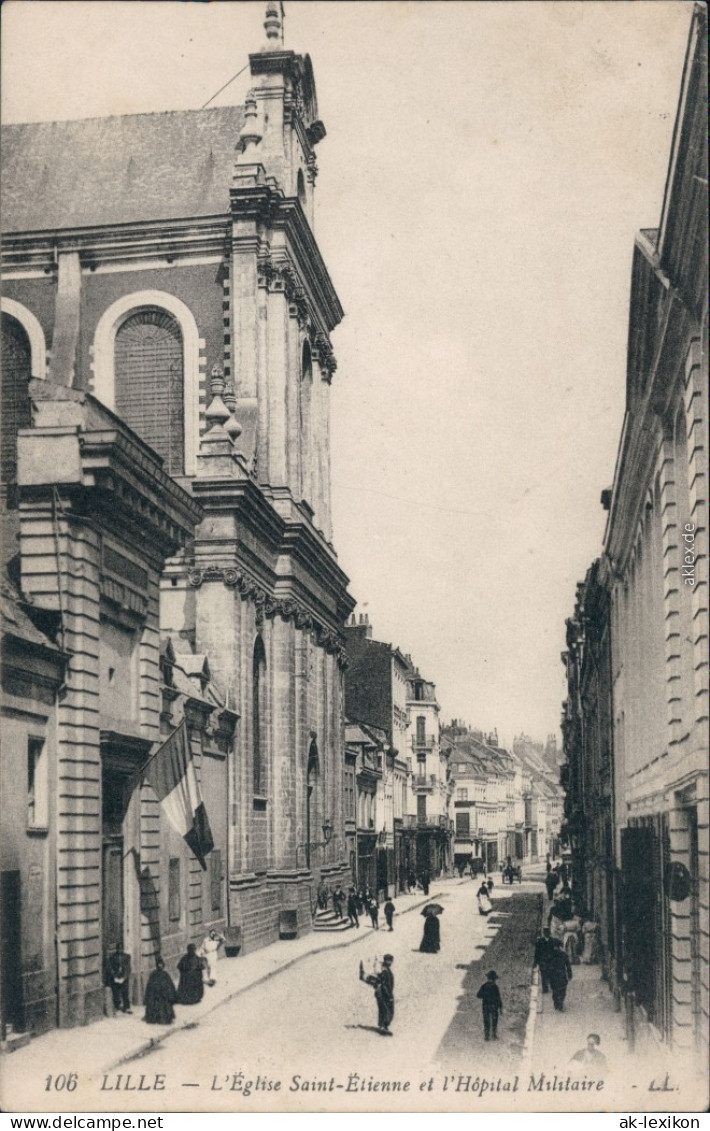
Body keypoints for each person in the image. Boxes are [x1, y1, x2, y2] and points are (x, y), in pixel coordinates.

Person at [360, 954, 395, 1034]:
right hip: (383, 992)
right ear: (386, 961)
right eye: (389, 961)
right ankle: (383, 1026)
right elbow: (385, 984)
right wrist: (389, 995)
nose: (390, 962)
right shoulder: (384, 971)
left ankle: (383, 1026)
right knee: (386, 1009)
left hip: (384, 992)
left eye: (391, 961)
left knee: (385, 1009)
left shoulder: (384, 969)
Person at [143, 956, 176, 1025]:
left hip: (164, 996)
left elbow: (170, 986)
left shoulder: (165, 974)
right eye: (158, 965)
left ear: (163, 965)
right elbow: (150, 987)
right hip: (155, 997)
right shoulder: (153, 974)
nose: (160, 966)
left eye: (161, 965)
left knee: (165, 1007)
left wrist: (170, 995)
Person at [105, 944, 132, 1015]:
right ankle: (117, 1007)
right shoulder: (113, 957)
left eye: (121, 949)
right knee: (116, 993)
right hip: (116, 978)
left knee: (125, 993)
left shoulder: (127, 957)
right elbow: (110, 968)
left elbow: (128, 968)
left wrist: (125, 977)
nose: (120, 950)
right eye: (119, 949)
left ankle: (126, 1007)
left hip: (124, 978)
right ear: (117, 949)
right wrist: (114, 976)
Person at [477, 969, 503, 1040]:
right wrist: (500, 1007)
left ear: (488, 978)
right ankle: (494, 1035)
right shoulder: (495, 987)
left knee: (486, 1020)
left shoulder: (484, 986)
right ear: (494, 979)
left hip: (485, 1006)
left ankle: (487, 1036)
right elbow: (498, 998)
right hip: (494, 1006)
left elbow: (478, 995)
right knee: (494, 1020)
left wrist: (485, 995)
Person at [548, 938, 572, 1011]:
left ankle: (559, 1001)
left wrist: (569, 973)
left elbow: (567, 964)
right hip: (557, 974)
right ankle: (558, 1001)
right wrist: (569, 973)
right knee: (558, 989)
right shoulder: (551, 955)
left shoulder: (562, 954)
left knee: (560, 989)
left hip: (558, 974)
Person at [533, 927, 555, 993]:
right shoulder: (540, 941)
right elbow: (537, 952)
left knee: (550, 973)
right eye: (546, 932)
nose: (547, 934)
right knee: (543, 975)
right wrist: (535, 962)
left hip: (550, 960)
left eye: (548, 932)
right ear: (544, 933)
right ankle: (545, 988)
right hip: (542, 960)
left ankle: (551, 986)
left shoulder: (552, 941)